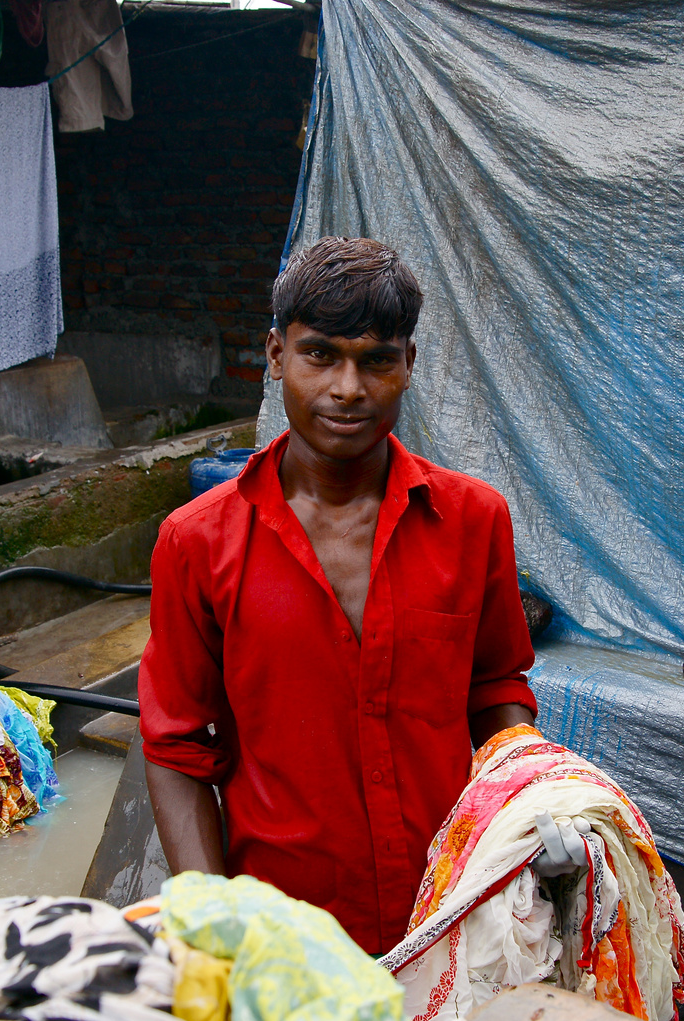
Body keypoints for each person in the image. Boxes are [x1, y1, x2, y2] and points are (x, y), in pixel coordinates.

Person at [138, 237, 537, 955]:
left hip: (457, 906)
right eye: (320, 354)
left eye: (377, 360)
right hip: (284, 929)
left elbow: (495, 683)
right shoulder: (196, 542)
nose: (348, 388)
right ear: (275, 355)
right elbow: (175, 747)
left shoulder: (475, 521)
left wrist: (539, 797)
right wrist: (216, 929)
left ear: (408, 365)